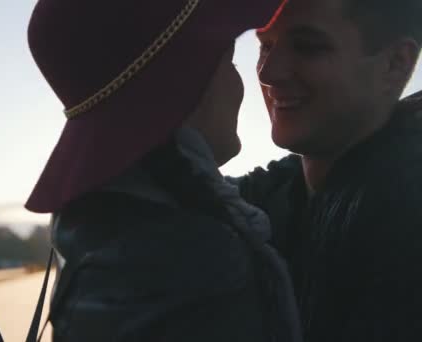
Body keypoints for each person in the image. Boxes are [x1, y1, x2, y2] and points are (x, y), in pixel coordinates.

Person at [25, 0, 301, 341]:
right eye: (228, 59)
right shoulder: (196, 261)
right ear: (187, 79)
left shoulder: (107, 219)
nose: (257, 77)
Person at [229, 0, 422, 340]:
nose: (267, 72)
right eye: (266, 46)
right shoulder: (274, 194)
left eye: (308, 47)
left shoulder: (404, 212)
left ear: (395, 64)